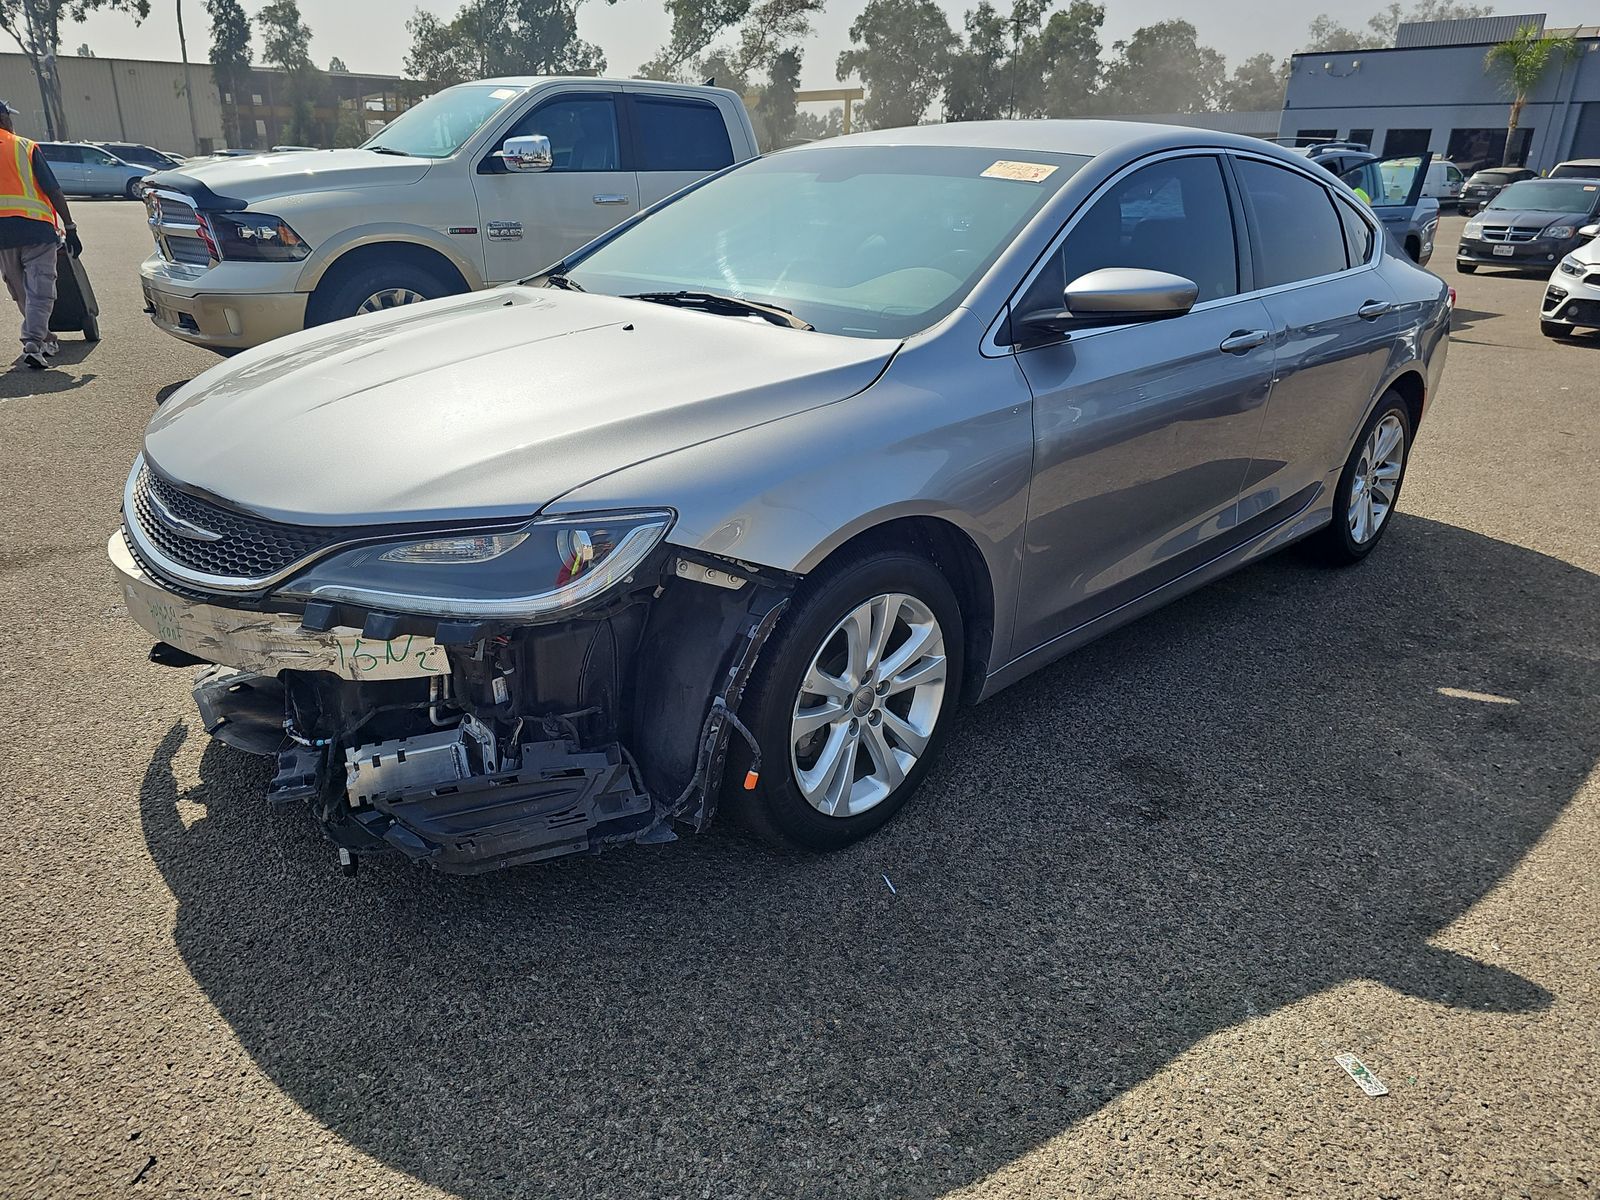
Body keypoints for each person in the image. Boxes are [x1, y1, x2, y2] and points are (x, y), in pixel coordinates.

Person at [0, 99, 82, 370]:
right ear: (4, 119)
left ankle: (42, 337)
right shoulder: (24, 146)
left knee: (20, 289)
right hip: (36, 229)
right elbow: (53, 190)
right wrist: (70, 228)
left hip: (2, 237)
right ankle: (34, 341)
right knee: (40, 287)